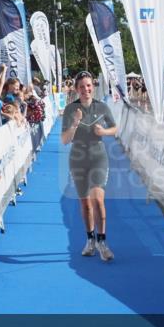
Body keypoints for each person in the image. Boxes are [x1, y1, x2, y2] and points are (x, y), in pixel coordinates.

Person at [61, 72, 118, 262]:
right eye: (82, 87)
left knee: (98, 200)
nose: (86, 89)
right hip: (78, 159)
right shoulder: (70, 110)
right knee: (85, 204)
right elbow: (64, 140)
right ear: (77, 89)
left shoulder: (102, 107)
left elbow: (116, 128)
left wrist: (104, 131)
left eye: (89, 85)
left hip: (98, 157)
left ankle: (103, 241)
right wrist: (75, 123)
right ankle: (90, 239)